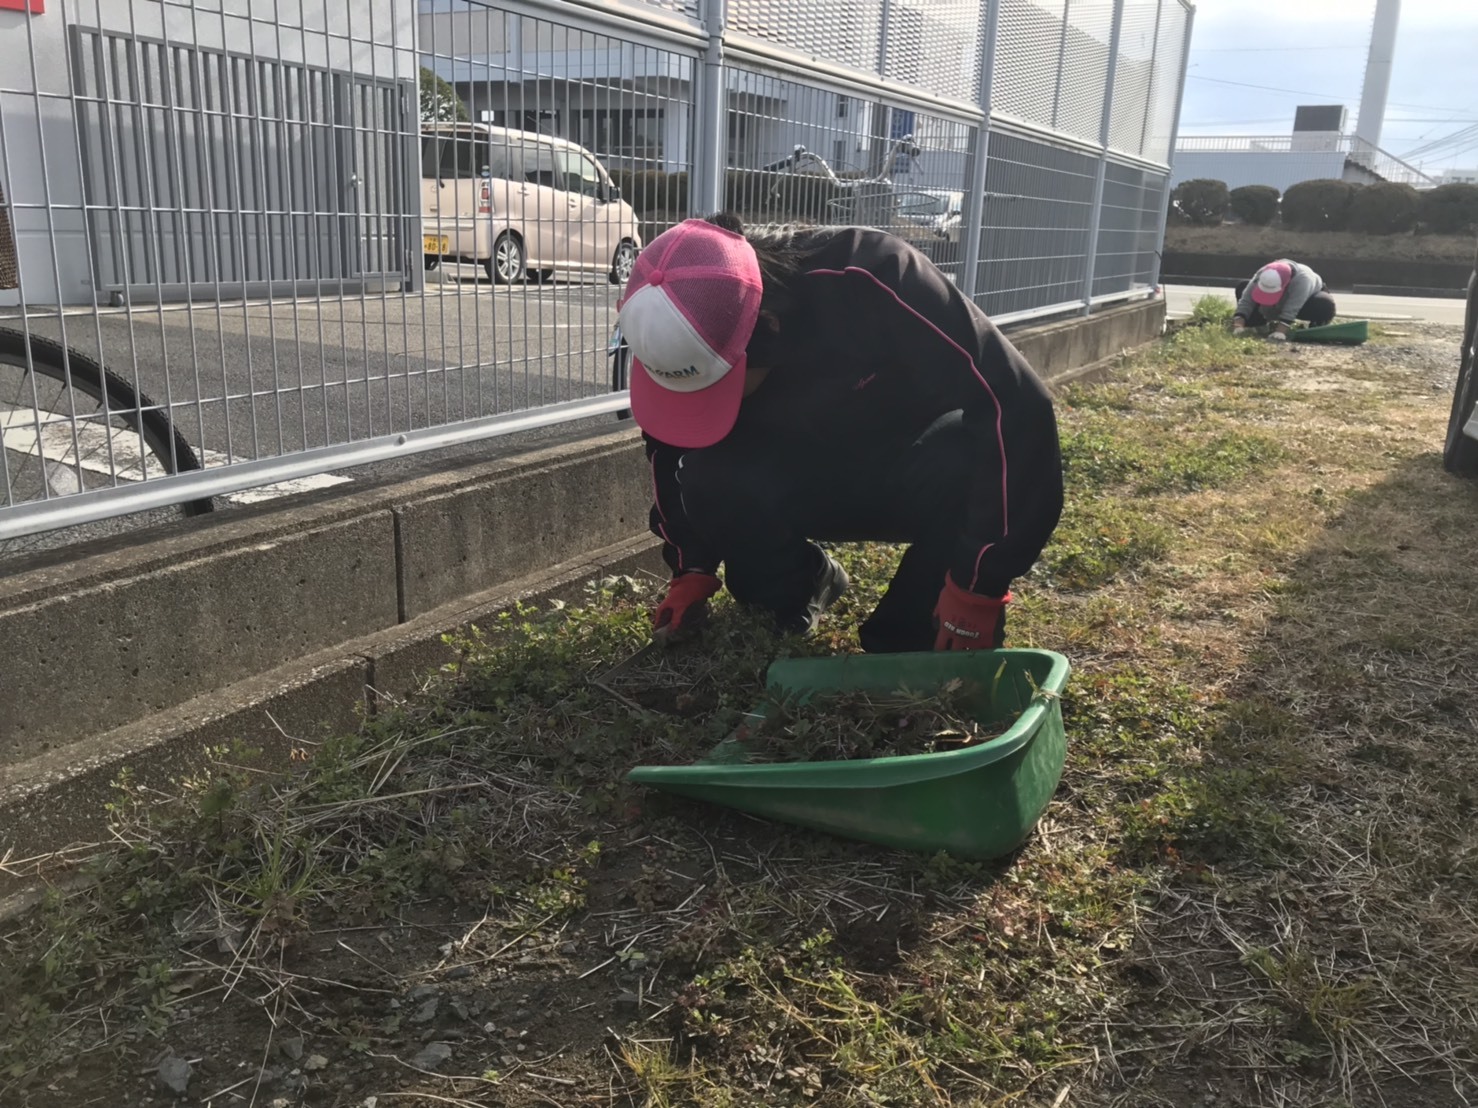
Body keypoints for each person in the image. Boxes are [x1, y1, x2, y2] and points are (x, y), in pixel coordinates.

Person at [615, 213, 1064, 654]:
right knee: (707, 475)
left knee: (973, 461)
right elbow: (671, 449)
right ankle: (797, 588)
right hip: (796, 469)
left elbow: (1015, 405)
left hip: (908, 458)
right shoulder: (672, 318)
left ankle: (912, 631)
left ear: (767, 328)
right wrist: (690, 564)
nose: (705, 401)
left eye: (718, 386)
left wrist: (977, 585)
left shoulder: (876, 276)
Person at [1232, 259, 1337, 341]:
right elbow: (1246, 299)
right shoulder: (1263, 273)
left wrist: (1280, 332)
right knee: (1242, 286)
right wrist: (1238, 325)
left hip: (1306, 302)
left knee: (1324, 304)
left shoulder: (1303, 280)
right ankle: (1259, 324)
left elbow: (1293, 308)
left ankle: (1316, 328)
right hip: (1276, 304)